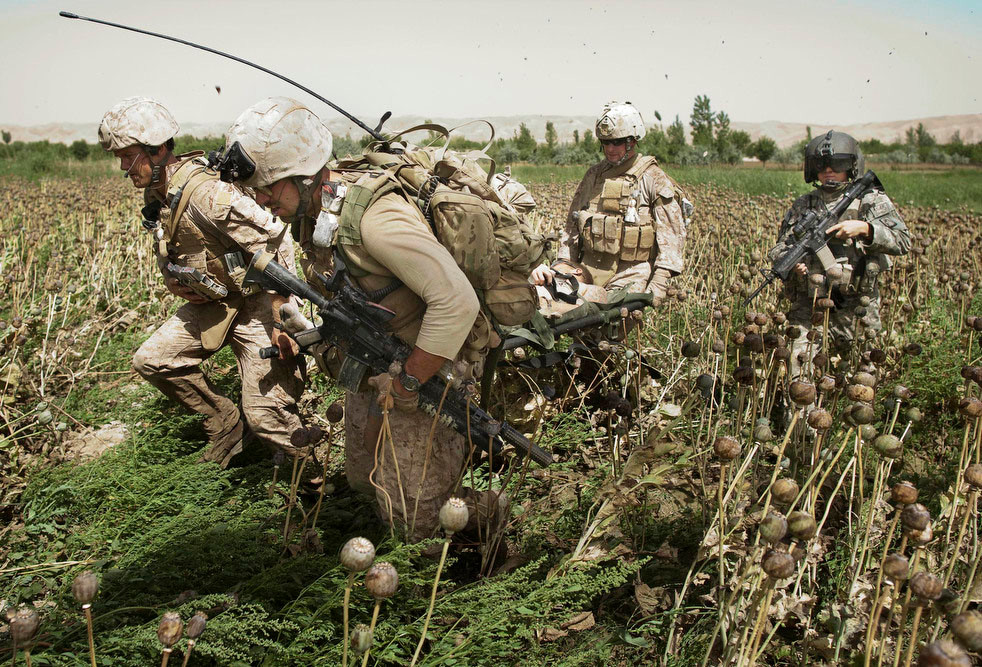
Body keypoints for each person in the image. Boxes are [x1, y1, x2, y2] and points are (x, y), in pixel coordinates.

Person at [220, 98, 507, 541]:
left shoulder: (375, 219)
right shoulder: (315, 213)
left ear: (305, 176)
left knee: (416, 518)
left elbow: (456, 302)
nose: (260, 199)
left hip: (428, 368)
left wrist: (408, 382)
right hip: (376, 363)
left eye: (268, 188)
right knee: (363, 478)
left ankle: (496, 521)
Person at [97, 96, 305, 467]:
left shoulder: (207, 193)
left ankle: (316, 482)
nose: (124, 168)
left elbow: (276, 241)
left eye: (129, 156)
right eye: (120, 159)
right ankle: (225, 423)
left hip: (259, 304)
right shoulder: (158, 192)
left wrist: (283, 320)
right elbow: (170, 246)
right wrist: (171, 278)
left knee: (265, 415)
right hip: (217, 303)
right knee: (153, 361)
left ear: (158, 149)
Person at [775, 130, 910, 379]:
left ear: (852, 166)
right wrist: (792, 263)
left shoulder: (870, 200)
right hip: (810, 304)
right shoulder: (804, 204)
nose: (829, 170)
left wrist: (866, 229)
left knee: (862, 372)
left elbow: (903, 240)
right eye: (821, 164)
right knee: (797, 366)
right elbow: (780, 246)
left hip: (855, 305)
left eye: (837, 164)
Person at [530, 101, 687, 303]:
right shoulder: (594, 176)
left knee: (614, 316)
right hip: (587, 270)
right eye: (605, 142)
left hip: (631, 273)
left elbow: (672, 237)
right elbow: (572, 229)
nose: (610, 149)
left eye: (617, 142)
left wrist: (659, 283)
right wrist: (562, 267)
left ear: (632, 141)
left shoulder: (652, 177)